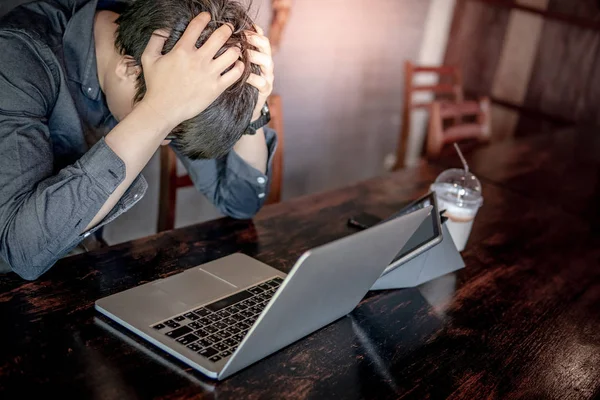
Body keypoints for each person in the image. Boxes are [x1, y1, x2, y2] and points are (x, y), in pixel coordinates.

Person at [0, 0, 277, 280]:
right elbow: (22, 253)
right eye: (167, 128)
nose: (164, 143)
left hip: (80, 273)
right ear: (130, 69)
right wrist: (157, 113)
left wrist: (253, 115)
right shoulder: (18, 55)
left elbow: (240, 202)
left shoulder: (168, 54)